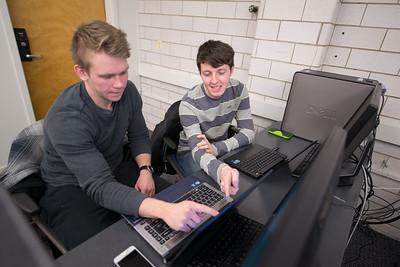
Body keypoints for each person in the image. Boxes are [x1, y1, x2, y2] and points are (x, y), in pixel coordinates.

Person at [39, 20, 218, 250]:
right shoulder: (66, 118)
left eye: (123, 72)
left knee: (184, 212)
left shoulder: (128, 91)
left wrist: (145, 169)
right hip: (70, 187)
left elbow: (139, 135)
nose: (119, 84)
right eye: (107, 76)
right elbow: (100, 186)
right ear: (81, 72)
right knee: (107, 250)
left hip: (115, 166)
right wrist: (164, 210)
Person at [177, 40, 255, 197]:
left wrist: (217, 148)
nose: (214, 81)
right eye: (207, 74)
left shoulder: (239, 90)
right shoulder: (188, 104)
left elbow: (249, 133)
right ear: (200, 73)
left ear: (231, 70)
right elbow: (198, 150)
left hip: (219, 147)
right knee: (215, 190)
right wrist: (222, 169)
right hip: (191, 152)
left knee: (246, 180)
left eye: (221, 72)